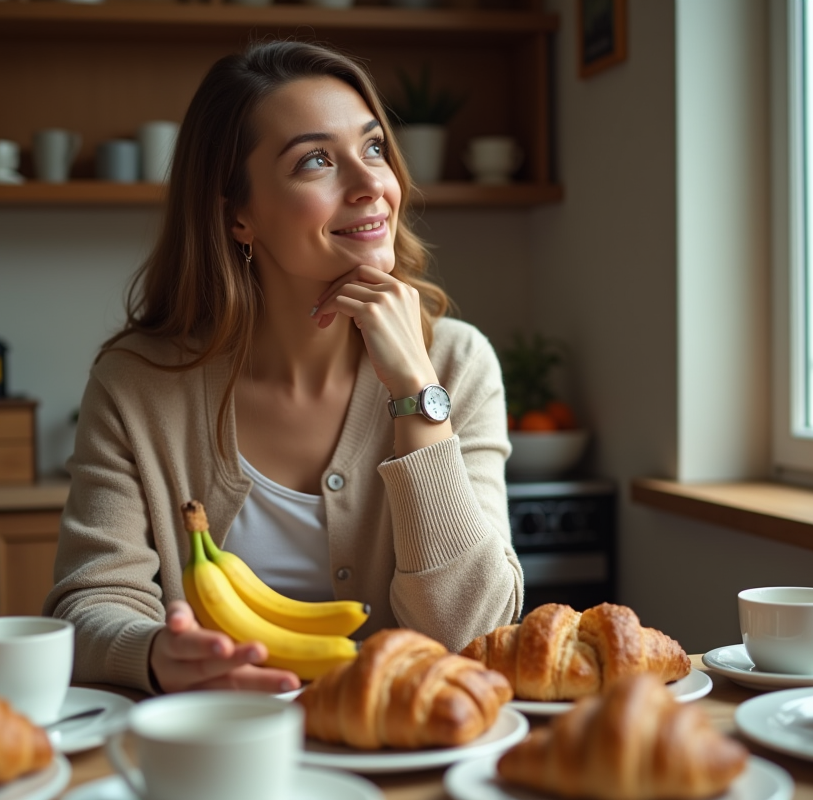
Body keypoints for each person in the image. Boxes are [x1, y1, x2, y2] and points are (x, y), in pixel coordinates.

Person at [44, 40, 523, 695]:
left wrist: (416, 394)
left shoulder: (454, 364)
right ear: (238, 214)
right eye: (317, 160)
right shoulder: (137, 386)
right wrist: (155, 652)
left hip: (408, 756)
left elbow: (470, 631)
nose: (370, 185)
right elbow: (85, 606)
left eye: (375, 147)